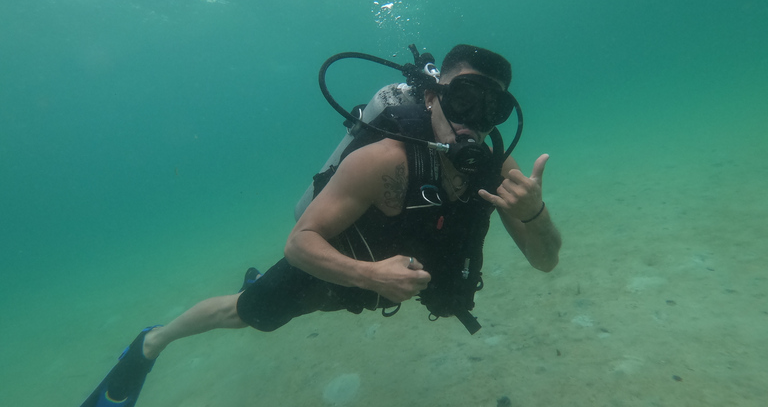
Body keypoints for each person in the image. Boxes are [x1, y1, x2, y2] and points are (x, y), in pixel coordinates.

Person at [80, 44, 562, 407]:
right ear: (434, 96)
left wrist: (533, 214)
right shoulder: (381, 161)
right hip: (335, 273)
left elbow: (545, 261)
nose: (472, 124)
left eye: (491, 110)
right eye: (463, 101)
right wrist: (371, 276)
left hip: (395, 279)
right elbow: (299, 244)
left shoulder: (501, 172)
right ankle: (151, 343)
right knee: (246, 313)